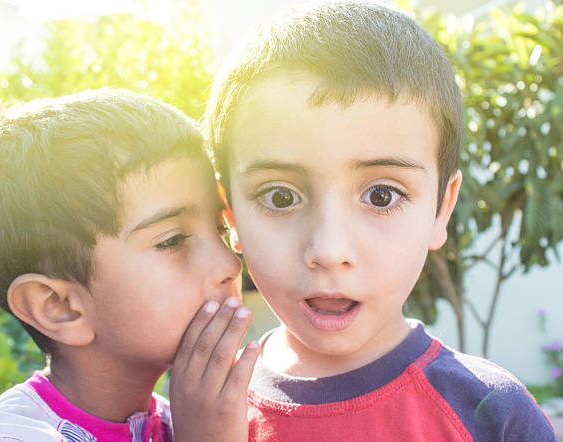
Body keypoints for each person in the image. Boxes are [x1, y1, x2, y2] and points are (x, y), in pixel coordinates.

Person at [203, 2, 556, 440]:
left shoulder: (492, 417)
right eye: (280, 196)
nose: (330, 251)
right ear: (230, 212)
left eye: (381, 195)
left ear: (441, 208)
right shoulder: (206, 411)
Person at [0, 88, 260, 442]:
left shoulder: (192, 420)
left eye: (221, 229)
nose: (230, 264)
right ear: (59, 307)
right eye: (172, 240)